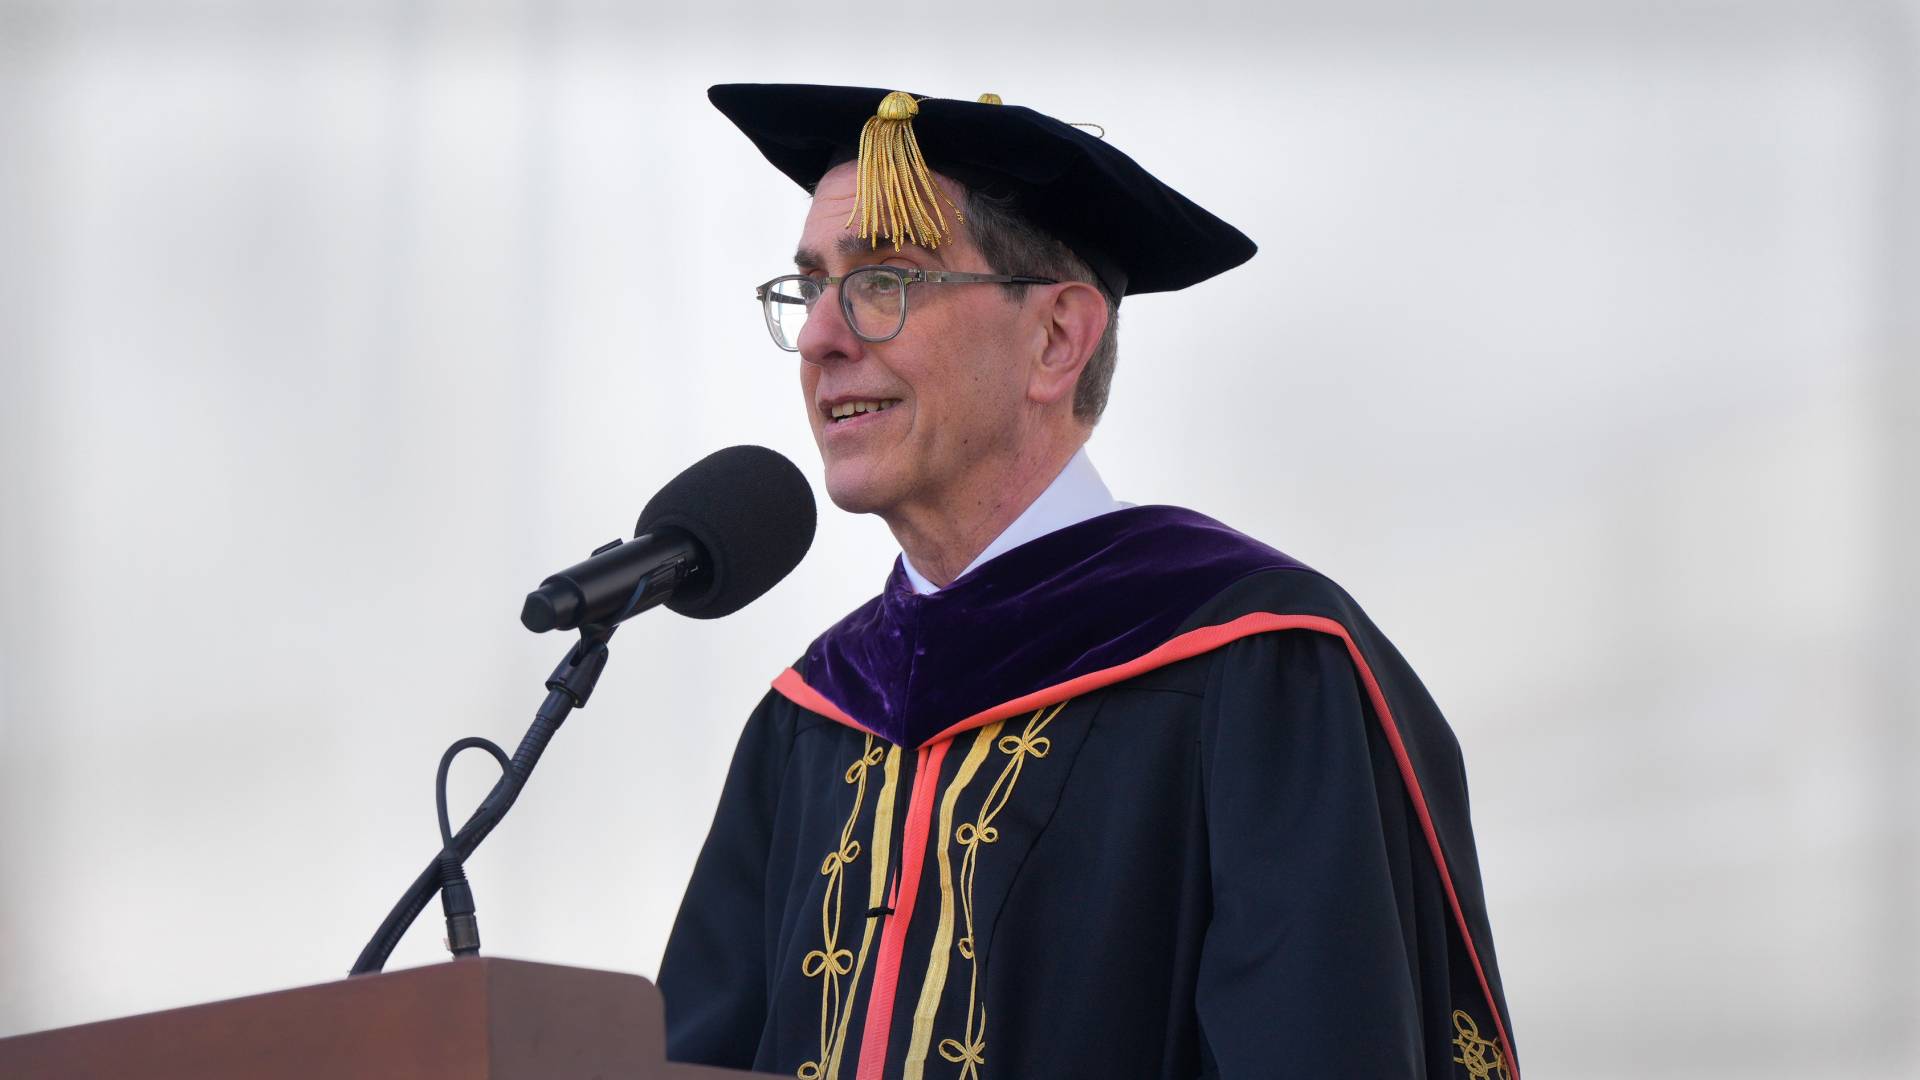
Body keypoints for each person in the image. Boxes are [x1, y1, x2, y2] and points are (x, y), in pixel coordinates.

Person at [659, 83, 1519, 1080]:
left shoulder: (1258, 668)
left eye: (885, 279)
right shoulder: (813, 717)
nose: (820, 337)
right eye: (810, 288)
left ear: (1058, 339)